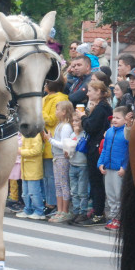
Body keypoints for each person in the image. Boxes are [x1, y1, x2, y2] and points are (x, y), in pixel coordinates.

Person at [75, 80, 111, 226]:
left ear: (98, 92)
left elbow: (91, 127)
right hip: (95, 146)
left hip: (96, 147)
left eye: (90, 91)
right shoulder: (101, 107)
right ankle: (96, 210)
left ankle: (98, 213)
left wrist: (83, 117)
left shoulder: (102, 108)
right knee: (95, 182)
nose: (88, 94)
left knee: (96, 182)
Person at [98, 106, 130, 231]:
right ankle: (113, 216)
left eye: (118, 118)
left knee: (118, 195)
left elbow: (128, 152)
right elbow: (105, 149)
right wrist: (100, 163)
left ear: (125, 119)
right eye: (114, 117)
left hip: (119, 169)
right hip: (108, 167)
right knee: (110, 194)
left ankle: (119, 218)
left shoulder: (126, 133)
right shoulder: (110, 131)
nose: (115, 120)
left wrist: (125, 167)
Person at [41, 79, 68, 216]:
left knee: (53, 176)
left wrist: (39, 110)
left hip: (53, 140)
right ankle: (48, 200)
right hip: (45, 140)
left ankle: (53, 204)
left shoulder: (60, 98)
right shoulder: (45, 98)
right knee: (46, 176)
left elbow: (52, 119)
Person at [46, 99, 76, 223]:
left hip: (62, 158)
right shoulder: (59, 125)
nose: (56, 112)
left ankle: (65, 210)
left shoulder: (66, 127)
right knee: (58, 184)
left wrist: (50, 140)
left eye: (57, 109)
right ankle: (60, 210)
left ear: (64, 112)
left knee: (64, 184)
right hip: (56, 157)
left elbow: (64, 144)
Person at [17, 131, 47, 220]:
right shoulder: (25, 135)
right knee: (25, 193)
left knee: (34, 192)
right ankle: (28, 209)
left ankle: (39, 211)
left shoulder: (35, 134)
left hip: (33, 167)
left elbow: (37, 150)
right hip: (25, 168)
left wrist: (21, 152)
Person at [65, 113, 89, 223]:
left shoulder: (85, 134)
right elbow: (68, 149)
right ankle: (75, 211)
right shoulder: (71, 135)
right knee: (74, 190)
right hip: (72, 163)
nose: (75, 123)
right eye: (73, 121)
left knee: (82, 191)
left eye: (77, 120)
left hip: (82, 165)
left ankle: (82, 212)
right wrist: (66, 153)